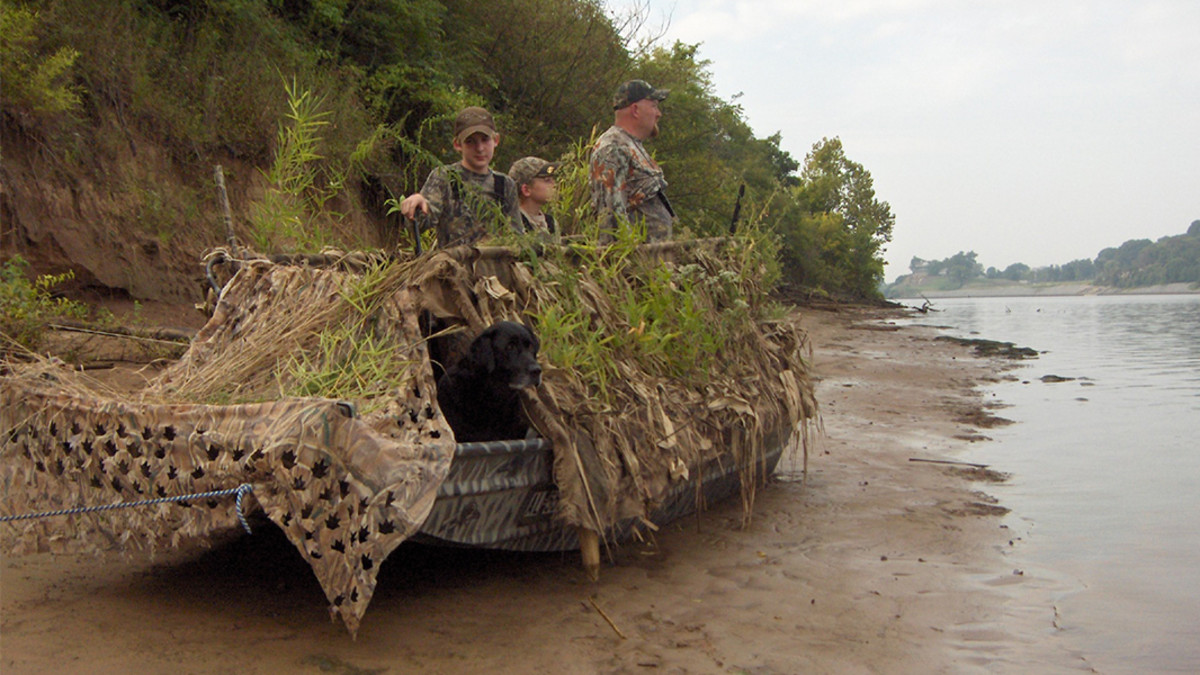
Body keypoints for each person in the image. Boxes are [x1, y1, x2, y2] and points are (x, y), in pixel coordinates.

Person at [398, 106, 522, 247]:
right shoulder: (445, 177)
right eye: (470, 141)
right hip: (455, 265)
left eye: (485, 139)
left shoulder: (505, 184)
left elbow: (518, 238)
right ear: (457, 144)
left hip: (495, 266)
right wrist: (417, 203)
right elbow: (420, 225)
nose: (480, 148)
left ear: (496, 140)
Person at [589, 79, 676, 242]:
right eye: (654, 106)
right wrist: (627, 261)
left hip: (652, 260)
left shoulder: (630, 145)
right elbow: (611, 216)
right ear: (635, 110)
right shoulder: (613, 147)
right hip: (635, 261)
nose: (659, 114)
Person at [508, 156, 561, 239]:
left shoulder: (550, 223)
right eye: (547, 180)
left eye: (553, 179)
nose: (554, 184)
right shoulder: (513, 222)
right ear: (526, 190)